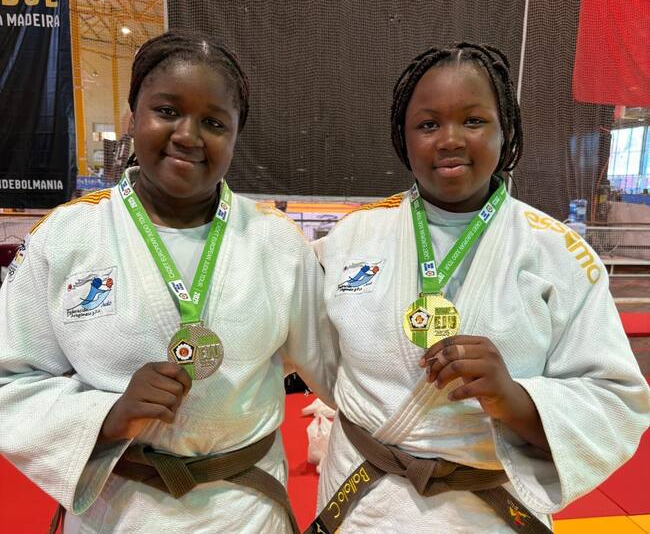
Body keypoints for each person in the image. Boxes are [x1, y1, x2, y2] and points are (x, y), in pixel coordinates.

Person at [0, 30, 336, 533]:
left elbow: (337, 367)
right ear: (132, 117)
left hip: (242, 512)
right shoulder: (67, 236)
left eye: (214, 122)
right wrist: (106, 416)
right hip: (118, 511)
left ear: (235, 136)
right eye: (167, 111)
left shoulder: (277, 243)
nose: (188, 135)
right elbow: (9, 380)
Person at [312, 43, 650, 532]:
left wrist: (514, 399)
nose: (450, 140)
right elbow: (308, 352)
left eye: (473, 121)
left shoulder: (558, 255)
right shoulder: (351, 238)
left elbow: (616, 401)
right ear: (403, 137)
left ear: (504, 129)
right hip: (365, 504)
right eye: (428, 124)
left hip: (487, 515)